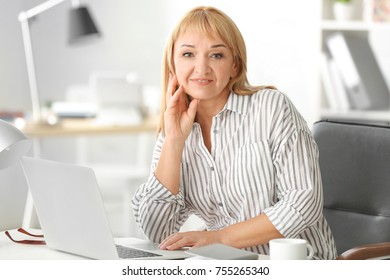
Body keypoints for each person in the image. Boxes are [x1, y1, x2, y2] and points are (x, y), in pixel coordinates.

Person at [132, 6, 337, 260]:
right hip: (224, 265)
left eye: (216, 55)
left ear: (234, 66)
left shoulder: (271, 107)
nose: (201, 68)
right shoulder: (175, 129)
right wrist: (174, 142)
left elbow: (303, 204)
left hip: (296, 265)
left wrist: (218, 238)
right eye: (188, 54)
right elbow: (156, 230)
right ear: (173, 65)